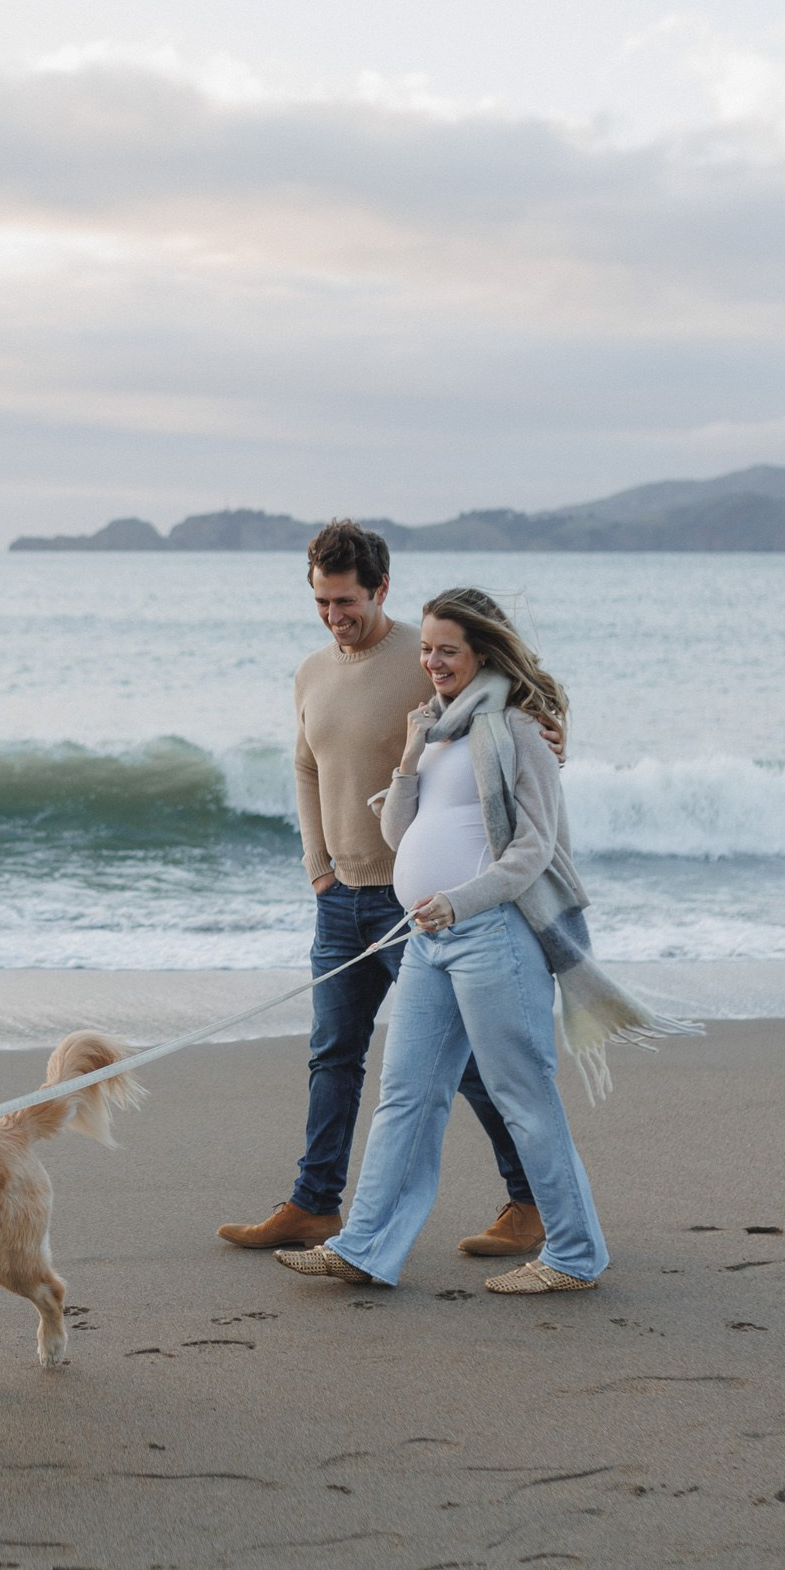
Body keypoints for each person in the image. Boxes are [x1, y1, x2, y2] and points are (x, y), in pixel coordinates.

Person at [216, 526, 554, 1260]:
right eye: (320, 600)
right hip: (340, 898)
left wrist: (553, 738)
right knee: (333, 1052)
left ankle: (530, 1202)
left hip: (421, 908)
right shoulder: (310, 672)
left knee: (464, 1063)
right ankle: (313, 1203)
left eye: (346, 600)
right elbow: (306, 768)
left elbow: (512, 715)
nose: (333, 614)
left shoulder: (420, 658)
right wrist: (317, 864)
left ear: (381, 588)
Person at [275, 587, 609, 1295]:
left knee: (522, 1092)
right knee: (406, 1093)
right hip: (431, 938)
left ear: (481, 650)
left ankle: (575, 1254)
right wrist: (408, 754)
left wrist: (458, 902)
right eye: (425, 648)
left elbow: (531, 851)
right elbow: (398, 836)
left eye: (446, 649)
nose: (431, 661)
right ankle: (365, 1245)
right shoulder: (438, 729)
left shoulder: (519, 729)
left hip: (492, 933)